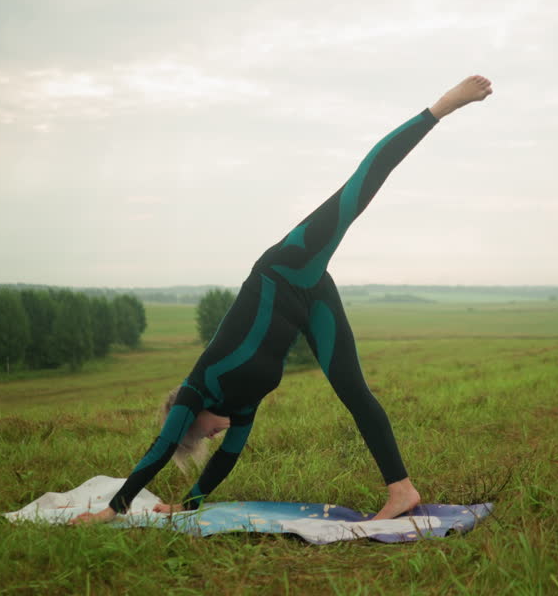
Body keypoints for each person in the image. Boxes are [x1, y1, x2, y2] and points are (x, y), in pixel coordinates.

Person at [71, 75, 494, 525]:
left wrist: (113, 510)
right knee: (355, 392)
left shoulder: (197, 389)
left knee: (357, 192)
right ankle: (402, 490)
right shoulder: (241, 408)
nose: (211, 438)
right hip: (309, 298)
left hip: (285, 267)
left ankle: (442, 107)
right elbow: (225, 462)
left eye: (200, 437)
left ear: (189, 420)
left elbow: (158, 450)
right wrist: (188, 504)